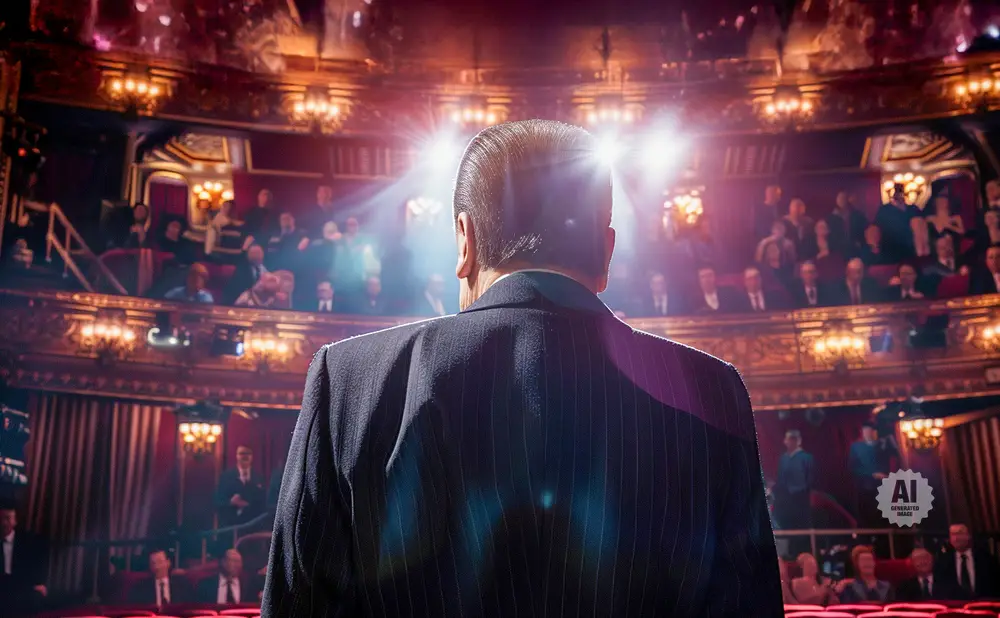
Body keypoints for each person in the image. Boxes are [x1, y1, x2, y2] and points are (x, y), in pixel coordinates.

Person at [263, 120, 782, 617]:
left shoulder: (351, 380)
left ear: (463, 241)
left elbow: (302, 605)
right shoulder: (711, 390)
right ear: (606, 253)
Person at [0, 501, 48, 616]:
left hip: (21, 585)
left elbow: (37, 566)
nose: (3, 523)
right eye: (1, 518)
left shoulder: (28, 541)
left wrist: (39, 583)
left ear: (15, 521)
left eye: (7, 518)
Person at [933, 523, 1000, 599]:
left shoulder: (986, 558)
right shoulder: (942, 562)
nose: (956, 538)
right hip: (956, 607)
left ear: (968, 536)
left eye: (960, 533)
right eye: (953, 535)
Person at [215, 445, 266, 530]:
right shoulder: (226, 476)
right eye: (242, 453)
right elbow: (217, 500)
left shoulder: (259, 477)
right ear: (236, 456)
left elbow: (264, 502)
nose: (245, 456)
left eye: (248, 453)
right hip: (230, 527)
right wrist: (231, 502)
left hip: (254, 526)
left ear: (252, 456)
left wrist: (248, 504)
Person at [848, 423, 890, 527]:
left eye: (868, 431)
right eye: (864, 431)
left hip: (882, 487)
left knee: (881, 517)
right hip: (864, 487)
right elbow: (852, 468)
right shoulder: (856, 447)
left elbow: (889, 463)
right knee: (866, 516)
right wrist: (871, 474)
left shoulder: (882, 446)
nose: (866, 433)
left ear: (873, 432)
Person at [773, 430, 815, 531]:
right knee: (785, 524)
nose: (790, 442)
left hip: (800, 498)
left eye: (793, 439)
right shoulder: (783, 458)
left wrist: (803, 491)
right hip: (785, 499)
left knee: (801, 525)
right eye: (788, 439)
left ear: (798, 441)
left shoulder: (806, 457)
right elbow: (780, 477)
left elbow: (811, 478)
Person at [125, 548, 192, 606]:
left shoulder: (182, 585)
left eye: (160, 562)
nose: (156, 567)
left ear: (168, 563)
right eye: (153, 563)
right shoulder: (140, 588)